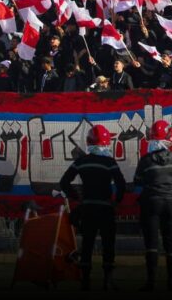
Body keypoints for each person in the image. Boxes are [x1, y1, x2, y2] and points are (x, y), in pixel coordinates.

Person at [60, 124, 126, 291]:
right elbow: (121, 183)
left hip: (88, 208)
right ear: (105, 143)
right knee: (108, 244)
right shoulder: (110, 162)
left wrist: (77, 197)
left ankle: (85, 281)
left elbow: (64, 182)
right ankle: (108, 281)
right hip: (105, 209)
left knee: (87, 244)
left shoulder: (81, 162)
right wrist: (116, 201)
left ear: (89, 142)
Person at [134, 119, 172, 292]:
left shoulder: (146, 160)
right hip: (170, 202)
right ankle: (171, 282)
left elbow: (137, 181)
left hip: (151, 202)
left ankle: (151, 281)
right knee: (171, 242)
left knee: (152, 243)